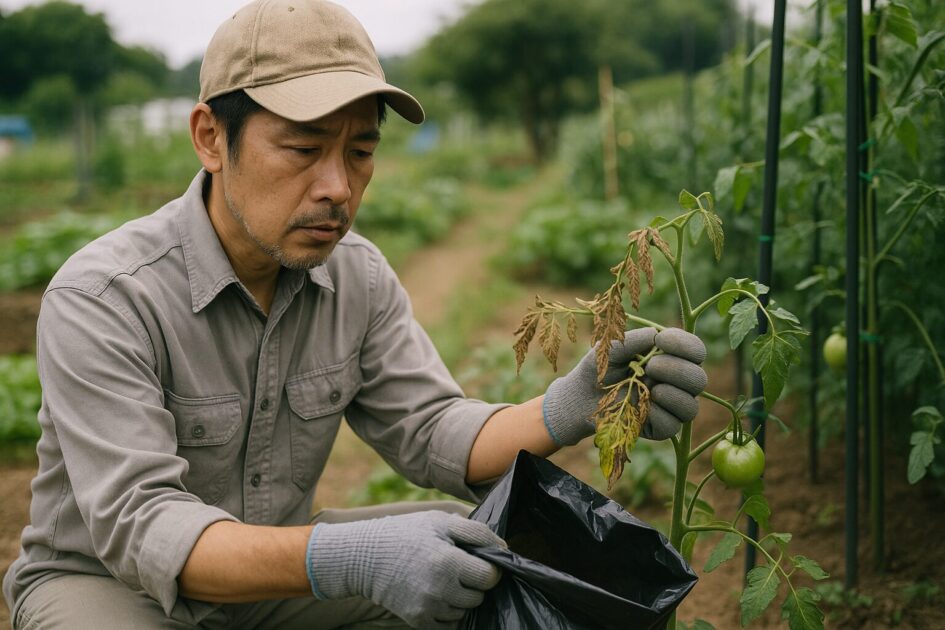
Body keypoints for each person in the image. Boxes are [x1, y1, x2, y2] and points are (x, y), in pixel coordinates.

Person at [2, 1, 707, 628]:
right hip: (107, 586)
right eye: (304, 149)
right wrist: (351, 558)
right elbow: (147, 527)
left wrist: (569, 407)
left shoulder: (355, 275)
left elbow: (432, 428)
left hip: (271, 577)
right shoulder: (105, 296)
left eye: (360, 151)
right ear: (211, 138)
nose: (338, 187)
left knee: (479, 561)